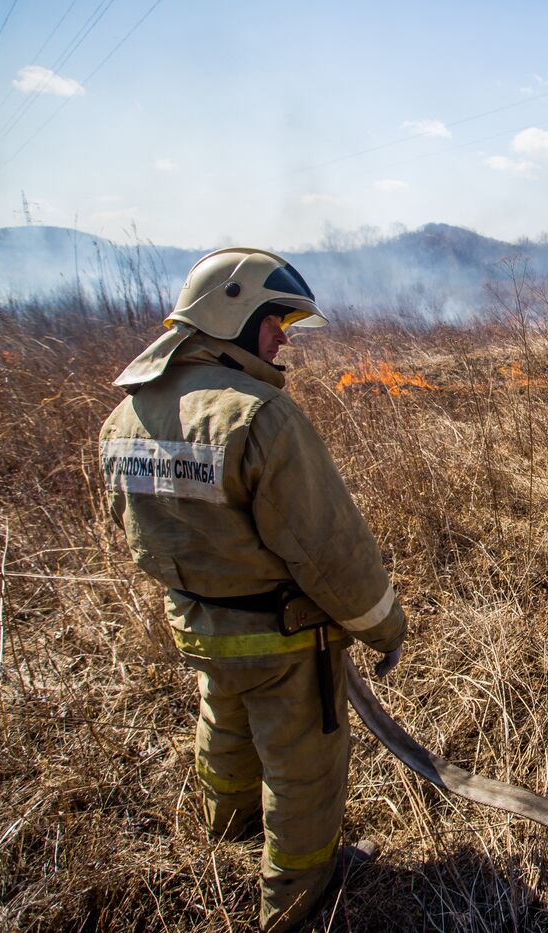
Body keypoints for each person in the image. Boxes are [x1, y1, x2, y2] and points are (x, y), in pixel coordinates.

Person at [99, 247, 408, 931]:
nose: (284, 339)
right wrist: (384, 627)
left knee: (223, 731)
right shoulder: (259, 415)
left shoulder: (126, 414)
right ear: (231, 313)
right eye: (275, 321)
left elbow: (132, 527)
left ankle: (226, 836)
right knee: (305, 770)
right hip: (283, 639)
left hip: (199, 632)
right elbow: (331, 551)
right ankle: (297, 899)